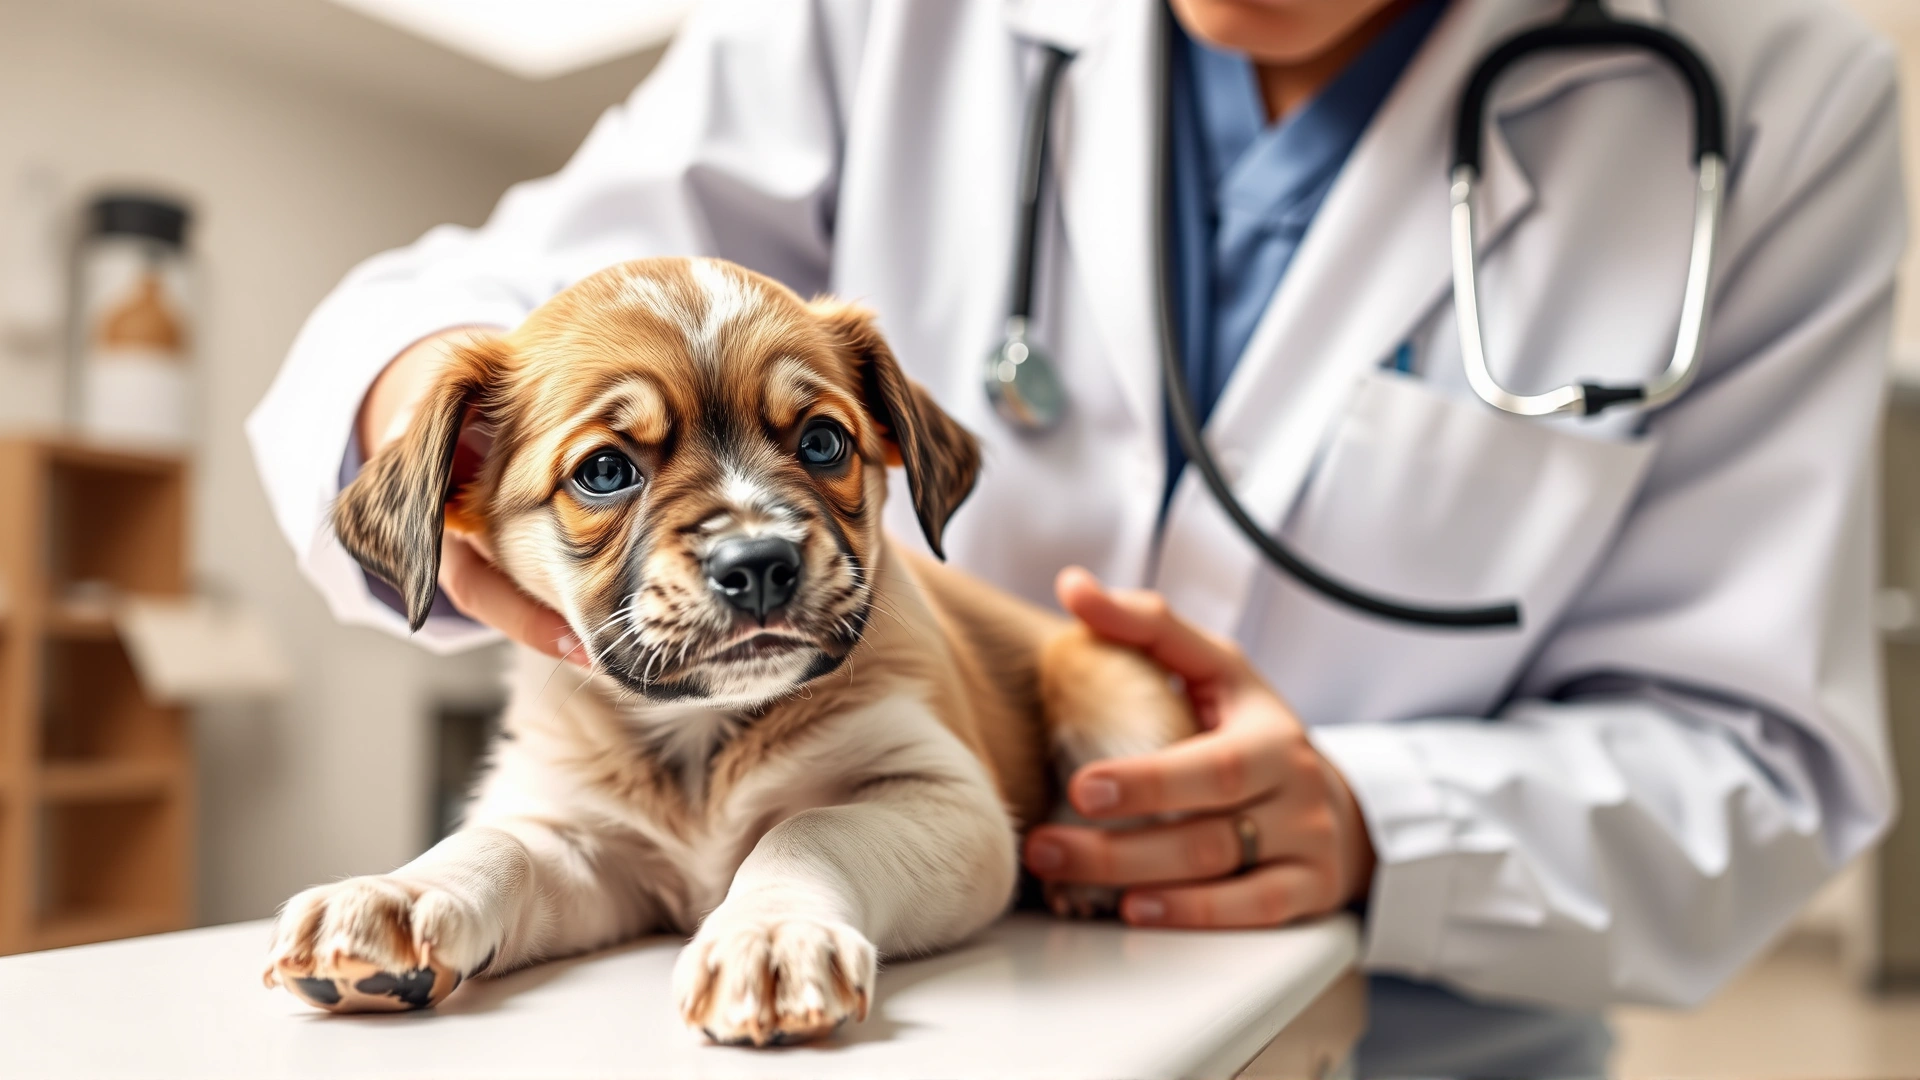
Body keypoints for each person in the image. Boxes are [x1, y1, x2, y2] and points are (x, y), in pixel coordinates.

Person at [248, 0, 1905, 1074]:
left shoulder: (1793, 88)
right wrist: (439, 418)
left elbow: (1757, 752)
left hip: (1433, 1031)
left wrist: (1378, 820)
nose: (746, 529)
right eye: (613, 473)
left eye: (824, 448)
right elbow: (481, 298)